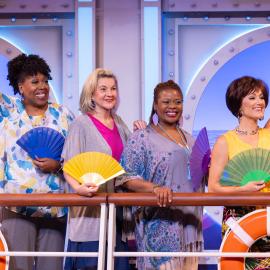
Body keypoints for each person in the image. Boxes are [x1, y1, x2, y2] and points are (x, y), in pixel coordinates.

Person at [62, 68, 146, 270]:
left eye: (113, 88)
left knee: (118, 262)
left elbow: (128, 162)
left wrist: (139, 135)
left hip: (118, 210)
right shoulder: (81, 124)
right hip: (92, 208)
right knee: (91, 262)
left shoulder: (119, 122)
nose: (110, 93)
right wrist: (78, 188)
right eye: (103, 89)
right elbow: (68, 166)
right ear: (92, 94)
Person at [116, 80, 203, 270]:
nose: (172, 106)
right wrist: (155, 188)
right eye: (166, 101)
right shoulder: (141, 138)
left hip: (190, 226)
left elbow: (196, 176)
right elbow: (126, 177)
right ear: (155, 105)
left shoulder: (190, 138)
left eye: (178, 102)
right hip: (160, 227)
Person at [0, 54, 74, 270]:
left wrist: (58, 166)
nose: (42, 86)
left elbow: (76, 159)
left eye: (45, 81)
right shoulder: (8, 113)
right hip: (16, 207)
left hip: (55, 209)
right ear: (20, 86)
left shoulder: (63, 115)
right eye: (34, 81)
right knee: (17, 266)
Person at [208, 75, 270, 268]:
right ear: (238, 105)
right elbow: (213, 187)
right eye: (252, 97)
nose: (260, 102)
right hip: (239, 218)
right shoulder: (224, 142)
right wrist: (244, 189)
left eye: (262, 97)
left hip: (268, 212)